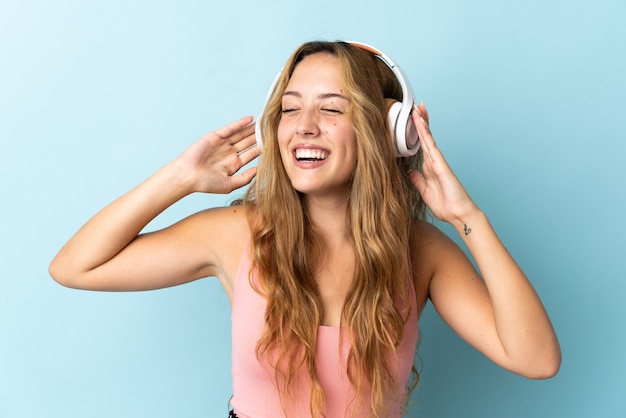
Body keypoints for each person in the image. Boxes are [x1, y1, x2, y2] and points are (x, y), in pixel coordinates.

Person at [49, 41, 561, 418]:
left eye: (331, 108)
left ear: (387, 131)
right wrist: (180, 178)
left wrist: (468, 219)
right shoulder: (236, 233)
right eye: (290, 108)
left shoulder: (422, 250)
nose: (303, 125)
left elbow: (536, 358)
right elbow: (75, 266)